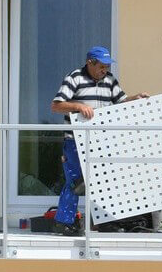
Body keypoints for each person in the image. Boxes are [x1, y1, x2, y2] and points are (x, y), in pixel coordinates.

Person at [50, 46, 149, 235]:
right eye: (102, 66)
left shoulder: (110, 81)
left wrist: (135, 98)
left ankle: (105, 222)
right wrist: (78, 106)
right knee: (77, 181)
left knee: (106, 180)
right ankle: (64, 223)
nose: (105, 70)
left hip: (102, 140)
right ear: (90, 63)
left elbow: (121, 101)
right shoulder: (74, 78)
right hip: (75, 141)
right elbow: (56, 106)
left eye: (107, 66)